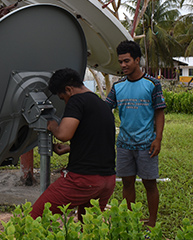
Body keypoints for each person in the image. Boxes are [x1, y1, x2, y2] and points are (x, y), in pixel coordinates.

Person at [30, 68, 116, 222]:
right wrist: (71, 148)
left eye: (63, 98)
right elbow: (98, 139)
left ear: (68, 89)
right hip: (107, 180)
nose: (65, 102)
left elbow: (64, 134)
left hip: (83, 180)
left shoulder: (76, 100)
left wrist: (52, 125)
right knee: (89, 229)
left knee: (36, 216)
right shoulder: (99, 103)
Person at [106, 40, 166, 228]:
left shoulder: (152, 84)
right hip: (124, 144)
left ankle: (152, 222)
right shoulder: (118, 87)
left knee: (150, 184)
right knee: (127, 184)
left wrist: (158, 138)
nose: (123, 65)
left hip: (147, 144)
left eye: (127, 61)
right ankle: (130, 221)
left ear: (137, 60)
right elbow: (105, 109)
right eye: (121, 61)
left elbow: (159, 112)